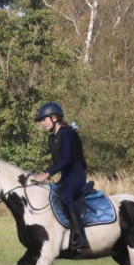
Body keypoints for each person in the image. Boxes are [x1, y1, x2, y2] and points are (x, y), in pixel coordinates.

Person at [33, 101, 90, 250]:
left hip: (77, 174)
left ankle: (80, 236)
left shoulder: (66, 133)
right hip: (65, 176)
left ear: (54, 117)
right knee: (51, 195)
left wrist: (46, 174)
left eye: (43, 120)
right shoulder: (51, 138)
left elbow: (67, 160)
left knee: (65, 197)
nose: (42, 124)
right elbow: (57, 163)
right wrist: (44, 175)